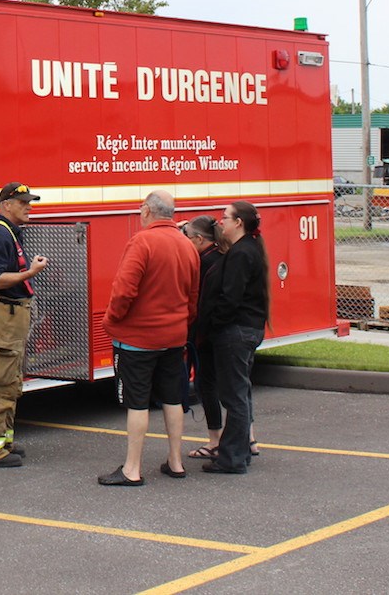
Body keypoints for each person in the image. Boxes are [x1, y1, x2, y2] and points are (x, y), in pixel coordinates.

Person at [99, 190, 199, 486]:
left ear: (145, 211)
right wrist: (182, 323)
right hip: (174, 336)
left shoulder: (141, 242)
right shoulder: (186, 244)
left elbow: (123, 291)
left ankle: (132, 469)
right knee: (173, 398)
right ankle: (176, 461)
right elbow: (193, 296)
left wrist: (111, 320)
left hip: (137, 339)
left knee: (137, 402)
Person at [0, 182, 48, 467]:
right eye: (23, 202)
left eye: (30, 202)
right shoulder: (0, 235)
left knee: (9, 382)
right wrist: (31, 272)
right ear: (6, 205)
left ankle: (2, 442)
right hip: (2, 315)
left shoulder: (8, 232)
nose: (29, 207)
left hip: (9, 316)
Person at [202, 200, 270, 475]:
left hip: (236, 331)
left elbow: (231, 297)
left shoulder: (241, 253)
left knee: (233, 396)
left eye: (225, 218)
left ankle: (232, 458)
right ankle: (239, 451)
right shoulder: (249, 249)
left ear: (238, 223)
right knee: (240, 393)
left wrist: (214, 324)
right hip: (247, 329)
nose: (221, 222)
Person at [182, 216, 227, 460]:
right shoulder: (222, 256)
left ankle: (214, 440)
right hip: (220, 332)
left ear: (199, 239)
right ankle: (247, 438)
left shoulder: (203, 263)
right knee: (233, 387)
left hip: (206, 334)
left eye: (187, 236)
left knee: (206, 385)